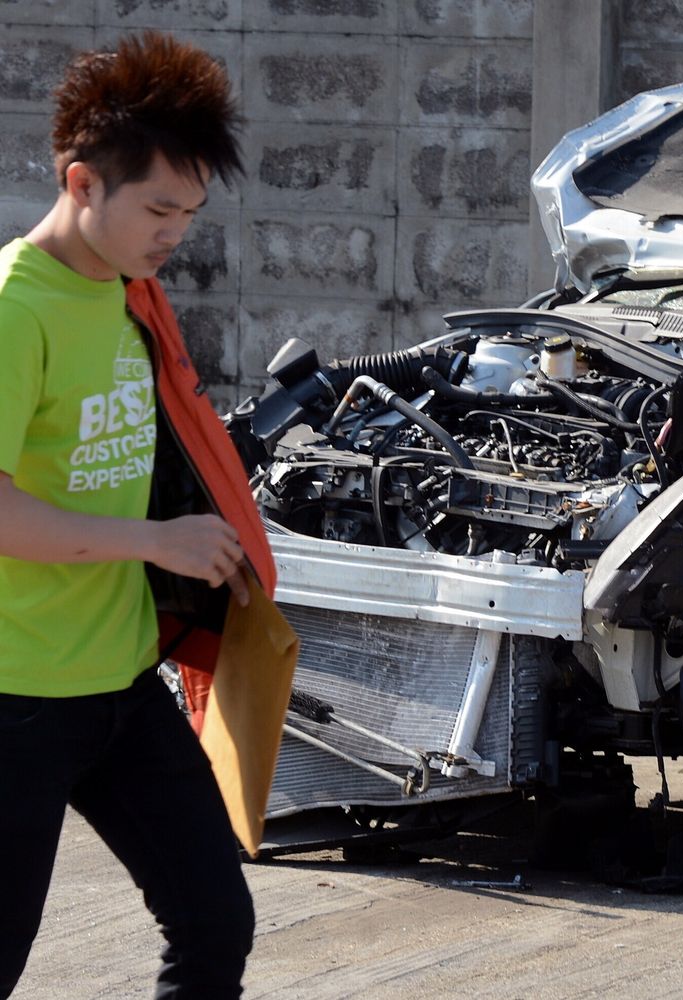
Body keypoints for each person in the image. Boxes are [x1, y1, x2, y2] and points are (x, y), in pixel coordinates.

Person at [0, 32, 278, 999]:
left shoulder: (131, 296)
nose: (175, 233)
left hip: (118, 678)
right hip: (17, 693)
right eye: (159, 208)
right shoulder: (13, 310)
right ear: (83, 182)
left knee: (214, 924)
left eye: (190, 214)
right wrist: (152, 542)